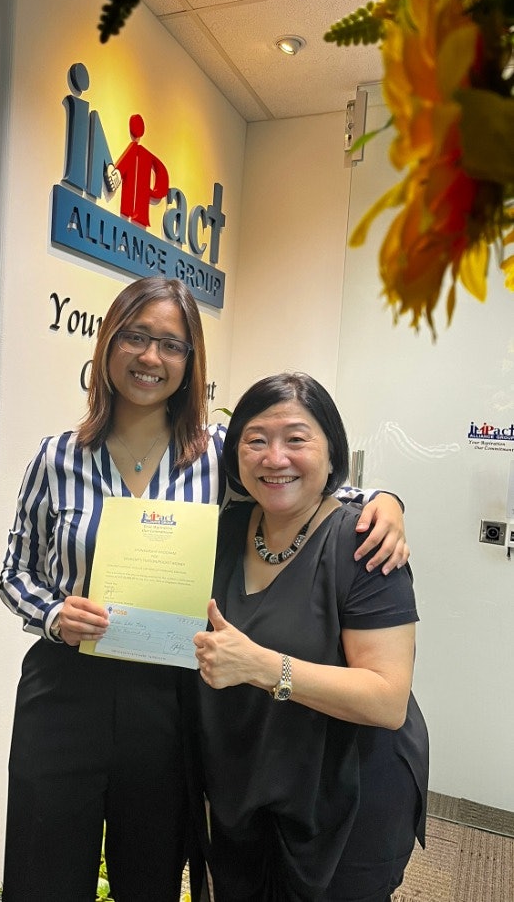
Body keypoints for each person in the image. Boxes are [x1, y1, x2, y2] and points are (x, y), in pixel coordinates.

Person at [0, 278, 409, 902]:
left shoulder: (217, 455)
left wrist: (385, 500)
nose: (151, 357)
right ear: (108, 344)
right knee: (43, 869)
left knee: (152, 872)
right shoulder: (57, 458)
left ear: (190, 362)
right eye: (135, 337)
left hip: (171, 693)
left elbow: (302, 487)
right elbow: (14, 573)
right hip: (66, 686)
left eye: (171, 344)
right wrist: (55, 614)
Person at [194, 372, 428, 902]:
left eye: (296, 439)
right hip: (247, 785)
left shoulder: (364, 543)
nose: (275, 458)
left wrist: (263, 667)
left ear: (331, 452)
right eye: (256, 440)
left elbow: (387, 699)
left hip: (345, 797)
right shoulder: (225, 529)